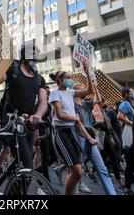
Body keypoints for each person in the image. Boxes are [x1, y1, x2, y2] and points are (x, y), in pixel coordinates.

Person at [0, 42, 48, 169]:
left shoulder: (39, 79)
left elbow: (43, 101)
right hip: (11, 120)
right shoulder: (12, 68)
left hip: (28, 123)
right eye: (32, 52)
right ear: (24, 54)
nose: (35, 56)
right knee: (27, 163)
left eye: (36, 54)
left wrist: (38, 115)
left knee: (24, 162)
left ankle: (12, 185)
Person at [49, 67, 98, 195]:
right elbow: (60, 115)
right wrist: (74, 117)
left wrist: (87, 73)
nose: (70, 79)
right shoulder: (55, 93)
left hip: (72, 132)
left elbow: (89, 91)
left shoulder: (70, 93)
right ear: (59, 80)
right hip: (61, 133)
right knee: (76, 171)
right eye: (66, 77)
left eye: (70, 76)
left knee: (75, 171)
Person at [118, 88, 134, 193]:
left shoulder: (132, 104)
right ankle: (127, 188)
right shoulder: (124, 104)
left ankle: (133, 179)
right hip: (129, 135)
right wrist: (131, 123)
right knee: (129, 162)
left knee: (133, 160)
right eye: (131, 92)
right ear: (126, 94)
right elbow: (119, 116)